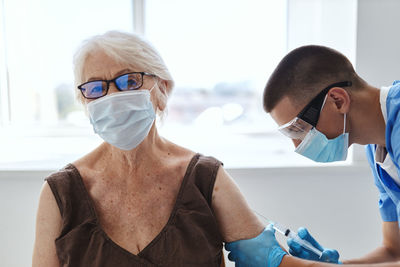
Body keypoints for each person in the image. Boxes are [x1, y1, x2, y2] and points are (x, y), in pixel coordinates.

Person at [31, 30, 270, 267]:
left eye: (129, 81)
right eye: (96, 88)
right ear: (84, 101)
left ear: (162, 90)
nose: (113, 98)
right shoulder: (61, 193)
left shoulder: (205, 178)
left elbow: (272, 261)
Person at [259, 45, 400, 265]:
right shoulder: (378, 150)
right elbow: (394, 252)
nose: (297, 145)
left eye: (298, 130)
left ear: (338, 101)